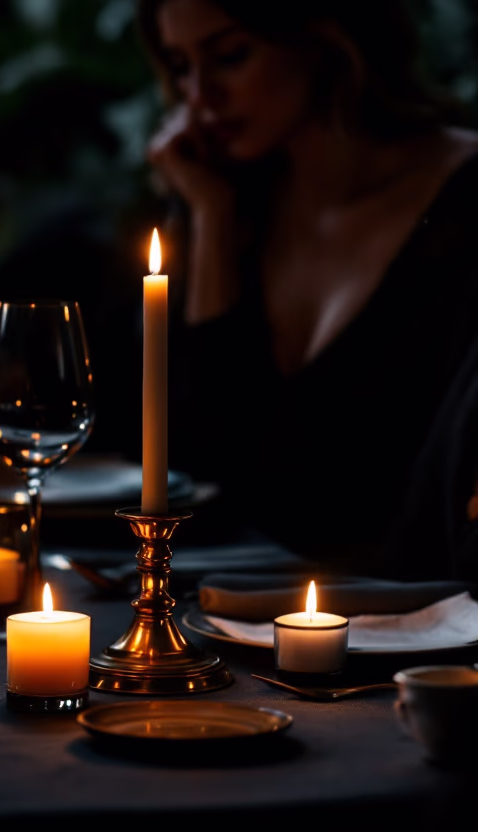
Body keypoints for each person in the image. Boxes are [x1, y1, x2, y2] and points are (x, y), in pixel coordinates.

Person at [138, 0, 478, 577]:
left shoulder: (464, 201)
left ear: (325, 40)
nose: (198, 97)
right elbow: (208, 460)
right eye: (180, 67)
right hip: (242, 613)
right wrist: (212, 219)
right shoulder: (232, 198)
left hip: (411, 630)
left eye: (230, 56)